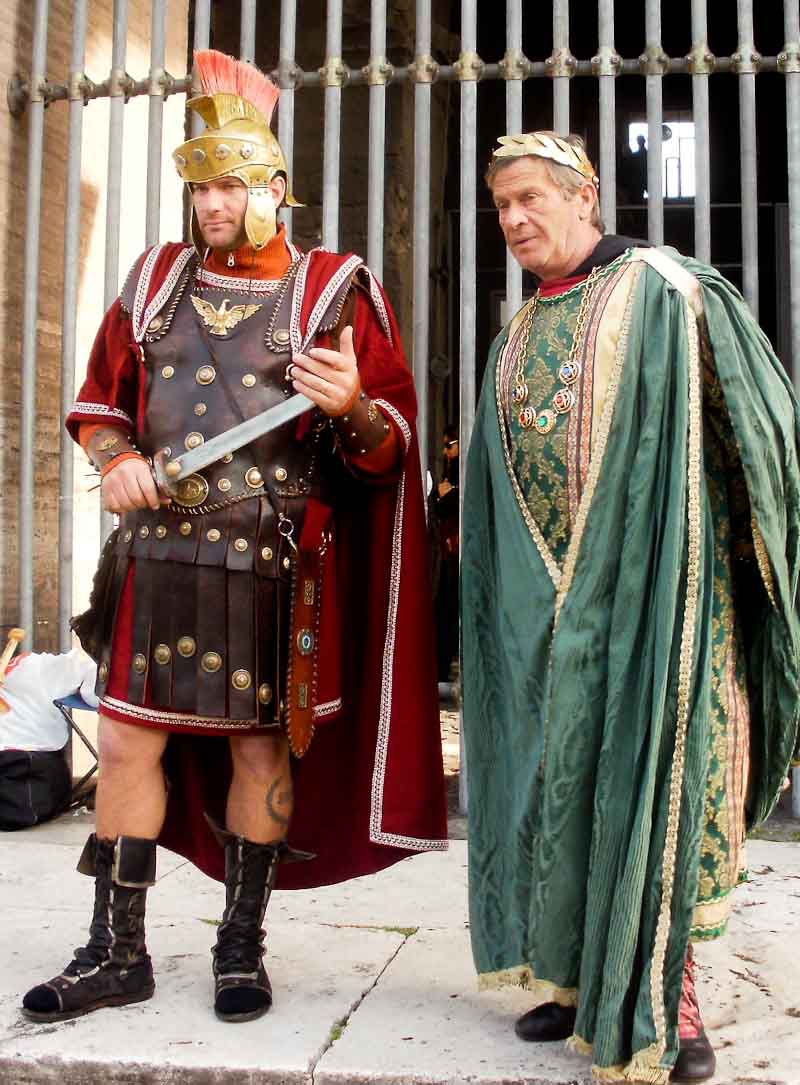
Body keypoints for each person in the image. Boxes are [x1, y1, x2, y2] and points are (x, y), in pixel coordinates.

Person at [22, 49, 446, 1025]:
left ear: (273, 188)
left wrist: (356, 412)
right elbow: (100, 401)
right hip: (156, 557)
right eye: (199, 184)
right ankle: (115, 947)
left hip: (263, 566)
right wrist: (114, 454)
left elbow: (386, 449)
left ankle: (239, 945)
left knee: (261, 756)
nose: (211, 204)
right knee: (126, 741)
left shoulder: (332, 288)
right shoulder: (155, 281)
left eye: (230, 183)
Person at [461, 131, 800, 1084]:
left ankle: (671, 992)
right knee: (557, 785)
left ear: (586, 195)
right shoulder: (518, 330)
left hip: (666, 597)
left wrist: (724, 558)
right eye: (502, 208)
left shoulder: (670, 289)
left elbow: (760, 421)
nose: (517, 220)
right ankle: (571, 975)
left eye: (532, 198)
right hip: (551, 610)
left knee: (668, 786)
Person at [434, 425, 459, 683]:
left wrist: (447, 495)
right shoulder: (449, 469)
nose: (445, 451)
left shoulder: (460, 468)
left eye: (449, 445)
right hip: (447, 549)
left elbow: (454, 501)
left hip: (457, 550)